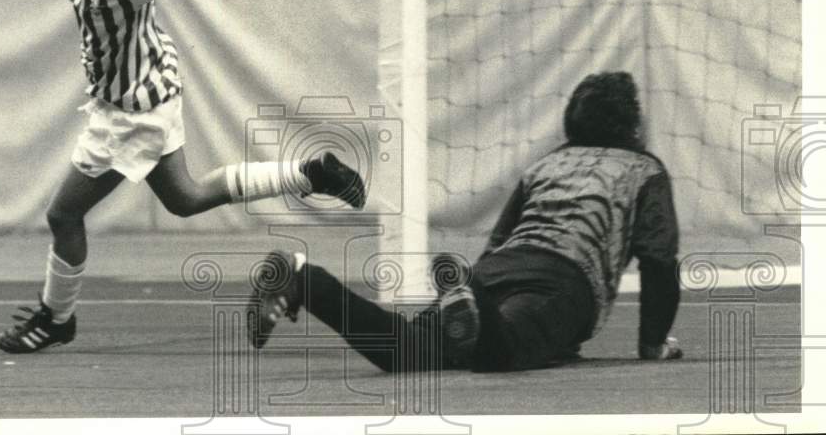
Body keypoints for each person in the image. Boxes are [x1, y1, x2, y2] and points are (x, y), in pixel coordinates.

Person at [0, 0, 365, 354]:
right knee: (186, 198)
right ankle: (312, 174)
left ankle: (56, 316)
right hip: (151, 90)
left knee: (62, 215)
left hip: (131, 113)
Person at [249, 71, 682, 371]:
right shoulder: (644, 169)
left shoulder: (546, 165)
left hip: (498, 269)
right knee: (502, 354)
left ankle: (305, 278)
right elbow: (659, 259)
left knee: (405, 351)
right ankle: (473, 302)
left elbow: (500, 239)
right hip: (565, 280)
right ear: (633, 127)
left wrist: (476, 284)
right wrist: (652, 343)